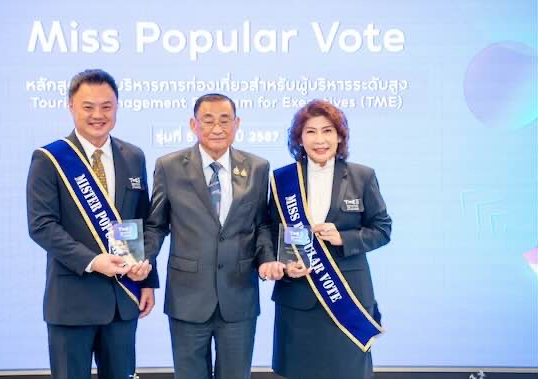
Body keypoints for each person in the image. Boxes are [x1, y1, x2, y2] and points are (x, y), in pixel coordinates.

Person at [144, 93, 285, 379]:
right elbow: (156, 225)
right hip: (187, 297)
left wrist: (267, 259)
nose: (217, 128)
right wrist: (143, 259)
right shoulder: (169, 166)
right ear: (193, 124)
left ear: (237, 123)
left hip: (239, 295)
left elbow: (262, 224)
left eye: (225, 120)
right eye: (208, 120)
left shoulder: (258, 168)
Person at [26, 69, 154, 379]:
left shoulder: (133, 156)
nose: (98, 115)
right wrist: (93, 261)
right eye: (88, 107)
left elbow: (142, 220)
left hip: (123, 300)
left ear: (117, 107)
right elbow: (41, 225)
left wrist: (147, 278)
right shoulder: (50, 159)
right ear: (71, 106)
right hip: (72, 302)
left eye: (106, 106)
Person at [269, 99, 392, 379]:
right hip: (298, 299)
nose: (320, 140)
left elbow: (382, 229)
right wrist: (285, 263)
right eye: (310, 131)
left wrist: (344, 238)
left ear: (339, 136)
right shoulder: (283, 179)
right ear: (299, 138)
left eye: (327, 131)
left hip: (347, 298)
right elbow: (272, 231)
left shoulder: (362, 176)